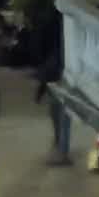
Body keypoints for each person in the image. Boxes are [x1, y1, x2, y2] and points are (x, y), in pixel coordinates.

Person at [35, 24, 72, 166]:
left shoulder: (53, 46)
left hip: (56, 79)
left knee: (58, 115)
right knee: (62, 117)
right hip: (60, 78)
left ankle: (60, 148)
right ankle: (61, 149)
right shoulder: (63, 44)